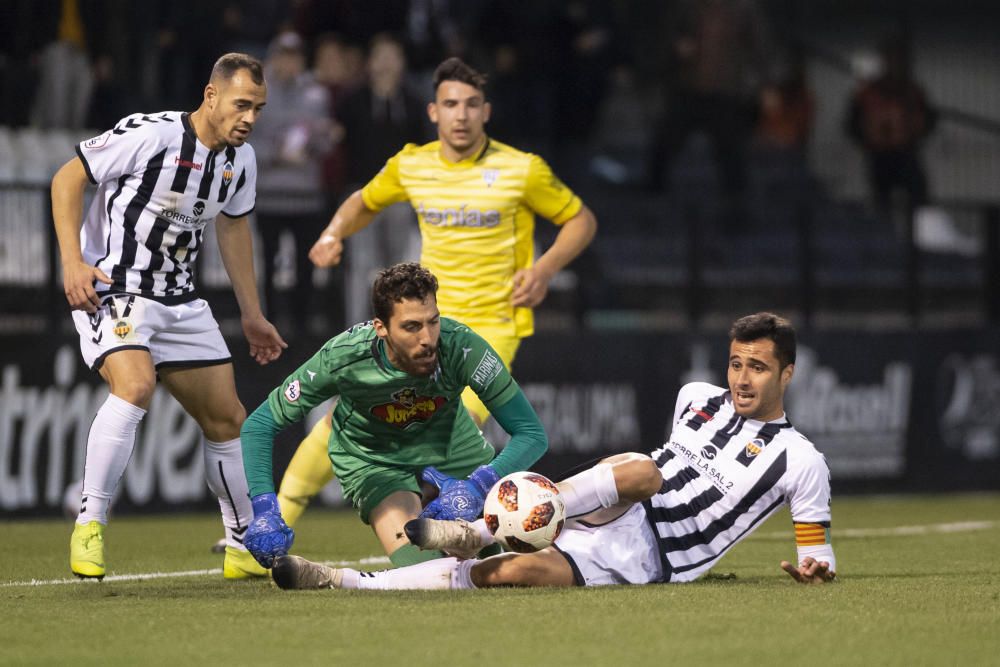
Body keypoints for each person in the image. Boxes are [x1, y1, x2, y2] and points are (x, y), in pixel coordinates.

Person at [269, 312, 838, 590]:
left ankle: (346, 581)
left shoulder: (801, 460)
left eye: (758, 367)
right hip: (622, 495)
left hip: (652, 554)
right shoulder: (697, 398)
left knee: (509, 573)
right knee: (638, 467)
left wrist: (816, 569)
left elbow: (819, 552)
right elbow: (648, 473)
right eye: (736, 363)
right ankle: (484, 525)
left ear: (787, 374)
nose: (741, 378)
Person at [271, 56, 597, 529]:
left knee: (446, 419)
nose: (460, 115)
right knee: (346, 416)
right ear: (432, 112)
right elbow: (364, 201)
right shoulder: (412, 164)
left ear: (486, 111)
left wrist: (544, 269)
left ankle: (436, 525)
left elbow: (581, 220)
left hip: (492, 326)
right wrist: (333, 233)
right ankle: (265, 531)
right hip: (426, 323)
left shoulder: (521, 170)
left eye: (470, 105)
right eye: (450, 104)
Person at [51, 52, 287, 580]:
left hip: (179, 300)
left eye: (259, 108)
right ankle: (90, 522)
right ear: (211, 96)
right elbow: (67, 179)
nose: (249, 117)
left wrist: (251, 313)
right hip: (115, 288)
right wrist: (72, 261)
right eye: (241, 104)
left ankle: (241, 544)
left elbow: (232, 228)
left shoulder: (240, 161)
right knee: (134, 386)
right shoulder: (150, 136)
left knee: (228, 419)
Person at [239, 262, 549, 570]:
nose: (428, 338)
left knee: (502, 567)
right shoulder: (342, 358)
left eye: (433, 321)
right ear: (381, 327)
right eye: (412, 326)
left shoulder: (463, 348)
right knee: (422, 571)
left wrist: (478, 485)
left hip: (451, 445)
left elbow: (532, 434)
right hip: (375, 459)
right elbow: (260, 424)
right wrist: (264, 509)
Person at [846, 35, 937, 219]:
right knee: (882, 204)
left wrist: (916, 135)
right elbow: (852, 123)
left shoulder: (912, 90)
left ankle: (921, 236)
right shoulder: (867, 92)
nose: (894, 62)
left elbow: (928, 118)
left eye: (898, 58)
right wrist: (868, 142)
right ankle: (886, 237)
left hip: (905, 153)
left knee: (918, 198)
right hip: (879, 155)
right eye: (890, 57)